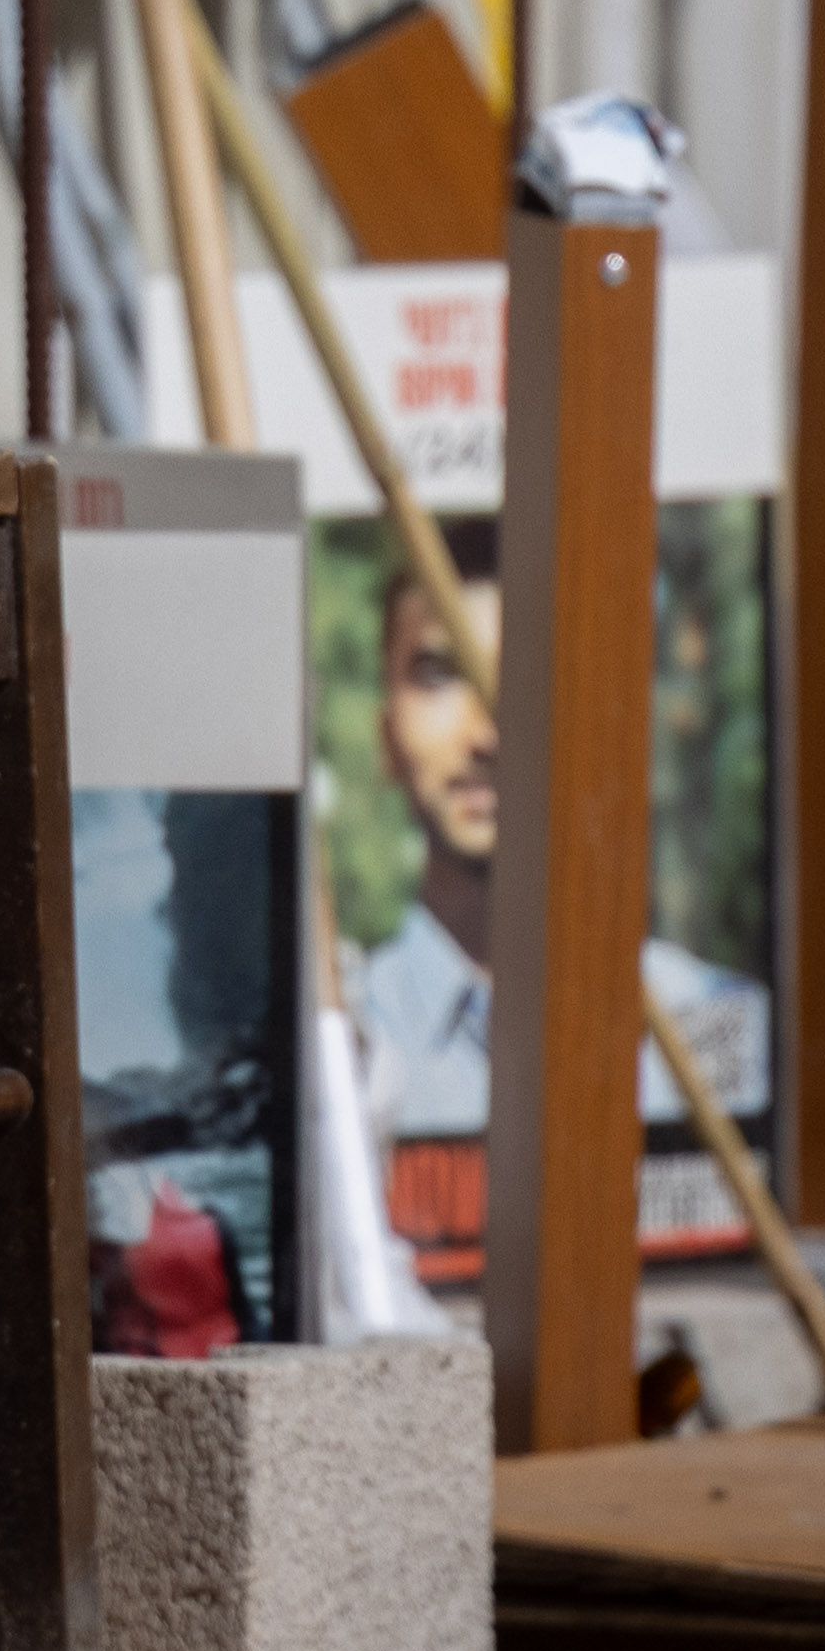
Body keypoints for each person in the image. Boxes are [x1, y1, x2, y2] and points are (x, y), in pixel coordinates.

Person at [336, 523, 765, 1249]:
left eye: (528, 674)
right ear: (385, 734)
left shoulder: (714, 1027)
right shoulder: (343, 1052)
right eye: (442, 673)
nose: (488, 733)